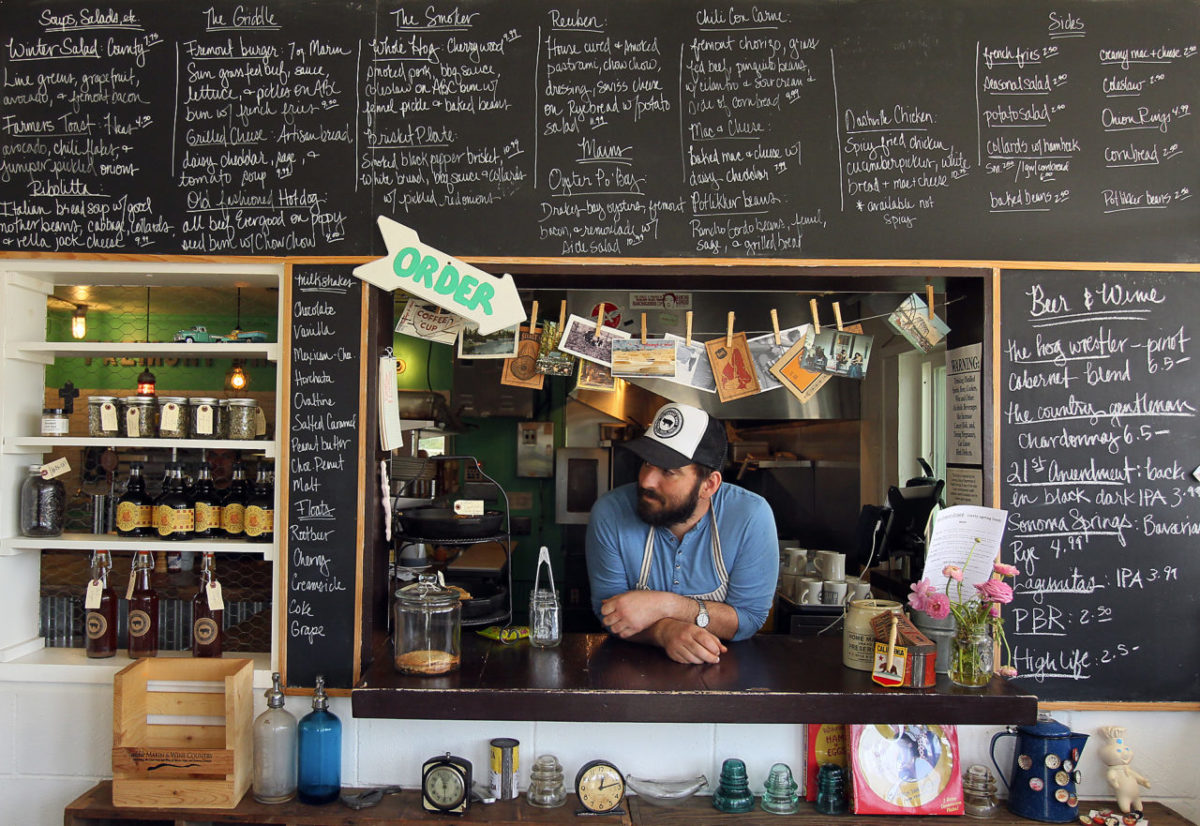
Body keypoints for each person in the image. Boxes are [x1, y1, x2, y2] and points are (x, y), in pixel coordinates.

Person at [585, 402, 779, 664]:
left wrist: (667, 606)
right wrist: (664, 632)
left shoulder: (750, 516)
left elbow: (748, 619)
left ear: (709, 485)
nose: (646, 481)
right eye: (646, 463)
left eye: (668, 471)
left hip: (724, 671)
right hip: (634, 672)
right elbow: (611, 614)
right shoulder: (611, 513)